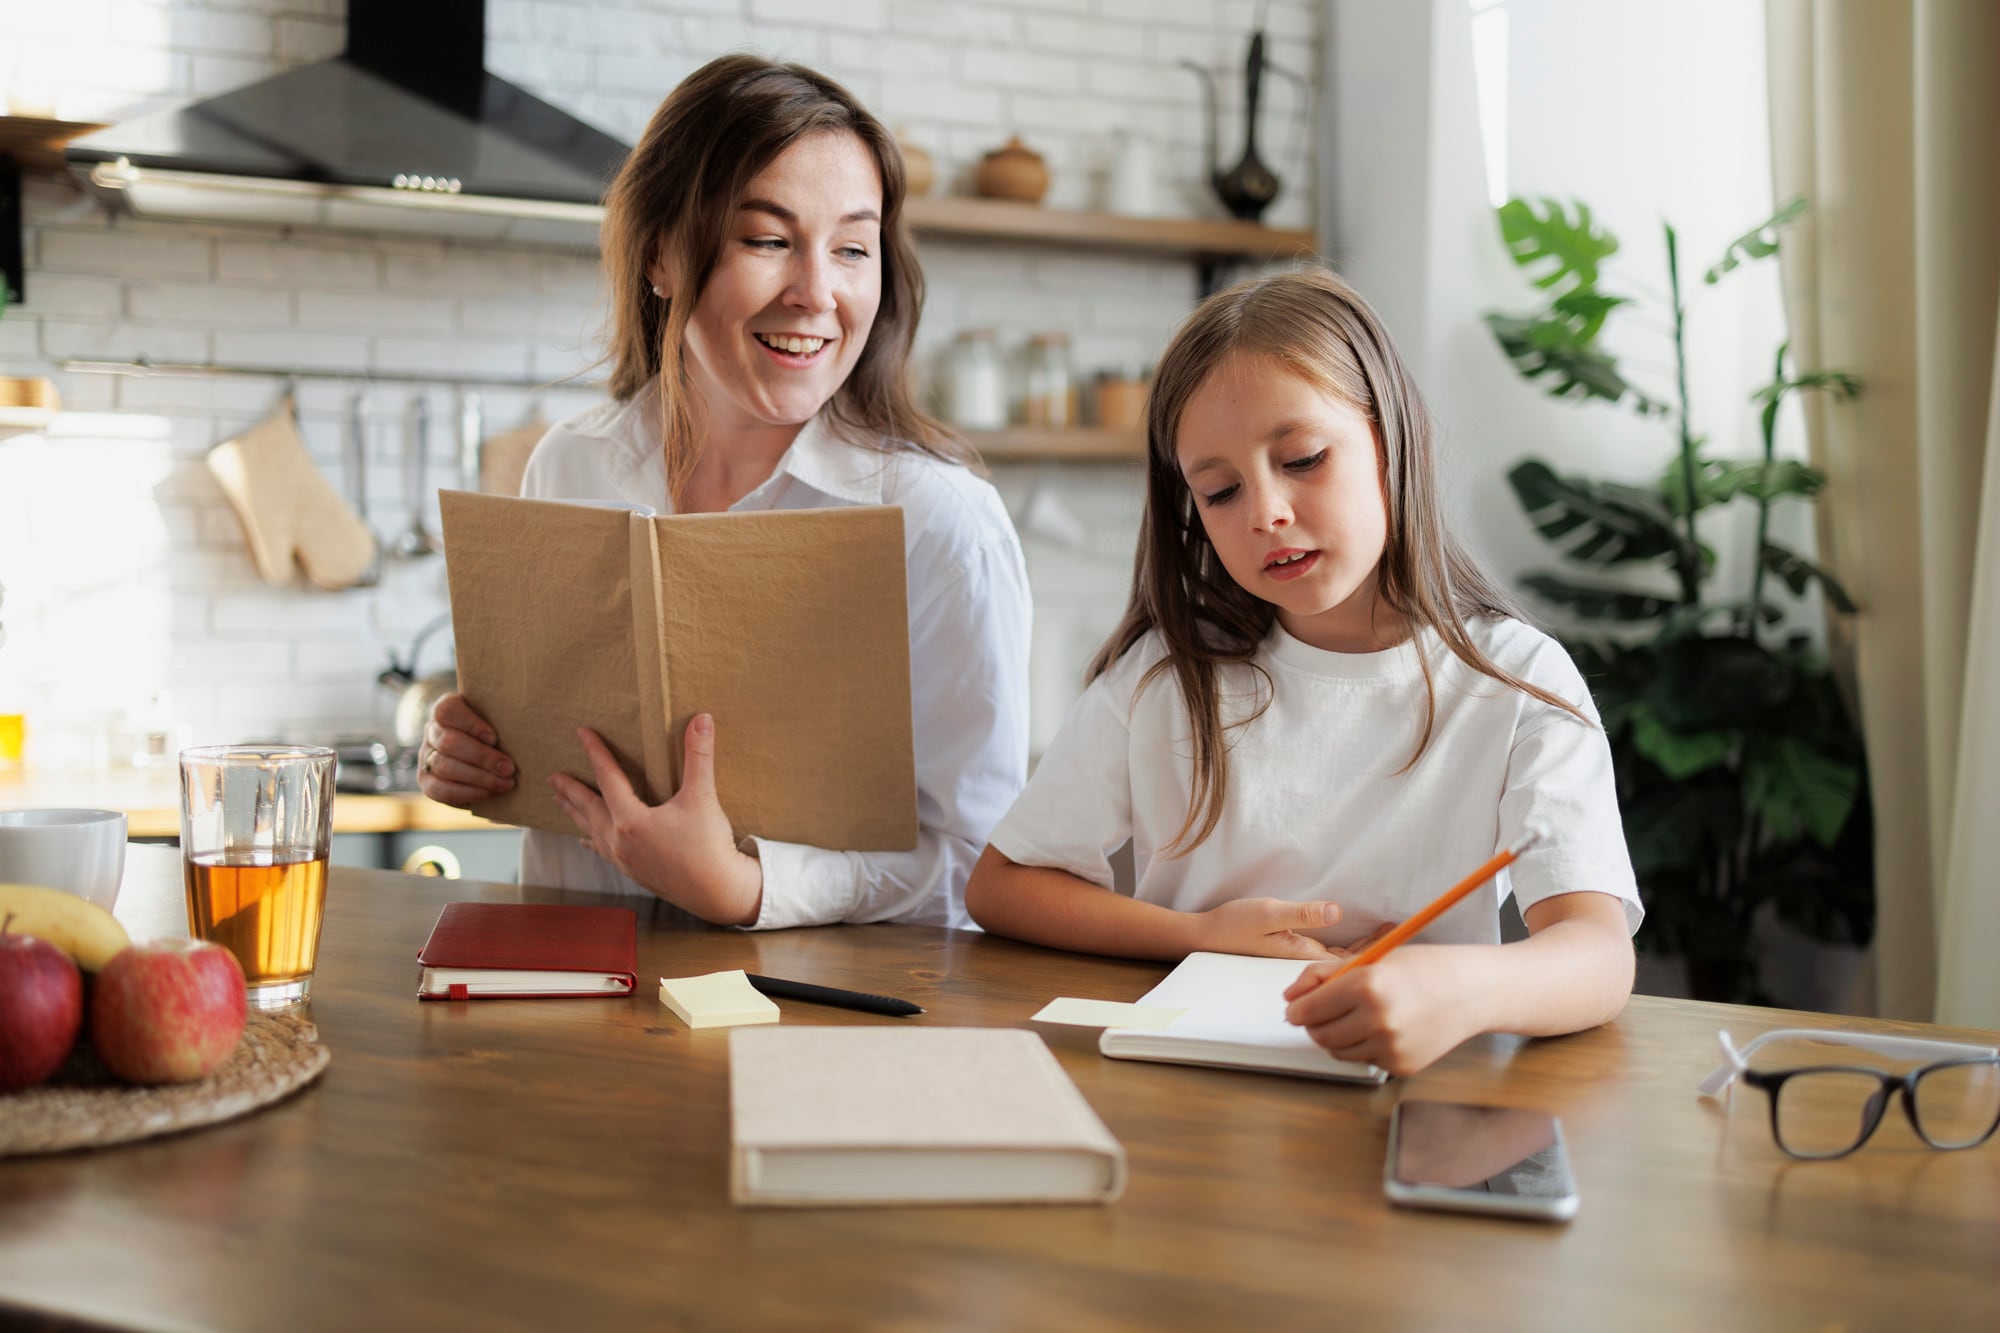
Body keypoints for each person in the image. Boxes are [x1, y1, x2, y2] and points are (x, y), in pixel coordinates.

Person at [964, 268, 1639, 1075]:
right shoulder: (1167, 679)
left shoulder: (1518, 680)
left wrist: (1457, 990)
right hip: (1188, 1092)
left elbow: (1598, 952)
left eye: (1305, 459)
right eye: (1219, 491)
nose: (1264, 514)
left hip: (1414, 1094)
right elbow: (1003, 884)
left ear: (1391, 438)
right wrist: (1197, 933)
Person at [417, 55, 1030, 932]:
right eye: (769, 240)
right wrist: (469, 753)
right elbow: (541, 764)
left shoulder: (939, 523)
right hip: (571, 1012)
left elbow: (975, 868)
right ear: (662, 254)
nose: (818, 293)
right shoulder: (569, 467)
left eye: (853, 248)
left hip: (810, 1028)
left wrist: (747, 886)